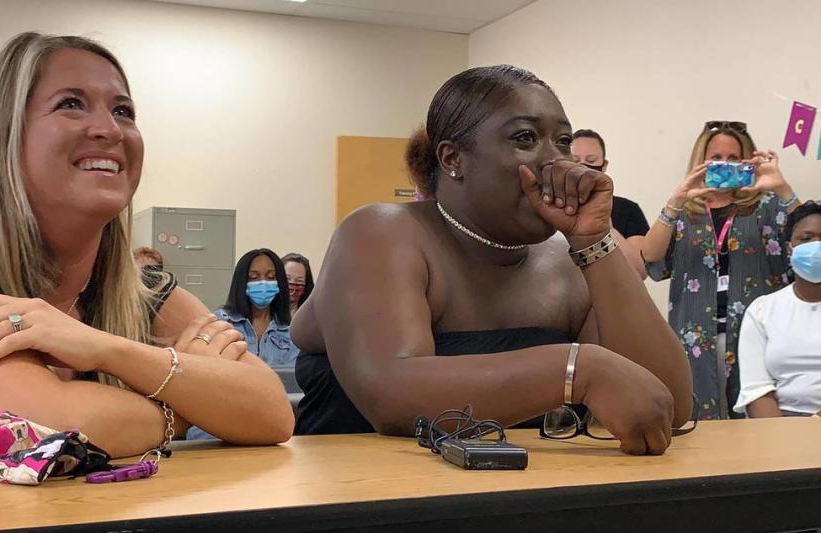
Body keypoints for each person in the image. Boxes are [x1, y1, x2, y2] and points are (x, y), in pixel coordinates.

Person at [0, 33, 293, 455]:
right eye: (71, 104)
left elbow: (272, 413)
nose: (109, 129)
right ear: (3, 136)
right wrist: (185, 400)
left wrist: (107, 349)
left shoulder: (138, 289)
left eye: (123, 111)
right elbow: (53, 431)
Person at [291, 65, 693, 456]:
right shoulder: (382, 232)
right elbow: (388, 394)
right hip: (362, 502)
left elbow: (666, 405)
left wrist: (595, 242)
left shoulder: (568, 261)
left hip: (514, 504)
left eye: (563, 141)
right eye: (525, 138)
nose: (558, 163)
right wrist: (578, 370)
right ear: (452, 159)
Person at [641, 121, 801, 420]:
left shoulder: (767, 206)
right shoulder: (686, 212)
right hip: (695, 336)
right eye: (716, 158)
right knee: (700, 427)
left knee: (758, 427)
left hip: (758, 335)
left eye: (733, 159)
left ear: (747, 163)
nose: (725, 166)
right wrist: (676, 200)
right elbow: (650, 258)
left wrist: (782, 188)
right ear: (701, 161)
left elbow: (810, 237)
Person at [735, 201, 821, 418]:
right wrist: (781, 440)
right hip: (780, 427)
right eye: (806, 238)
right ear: (790, 248)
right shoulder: (762, 309)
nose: (816, 247)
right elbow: (756, 390)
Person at [571, 129, 650, 279]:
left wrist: (607, 228)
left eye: (591, 161)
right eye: (574, 161)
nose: (582, 167)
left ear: (604, 165)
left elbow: (641, 271)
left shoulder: (628, 210)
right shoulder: (550, 208)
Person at [215, 249, 299, 368]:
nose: (263, 282)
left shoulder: (289, 332)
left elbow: (292, 378)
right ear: (242, 281)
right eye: (253, 277)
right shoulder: (221, 322)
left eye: (271, 277)